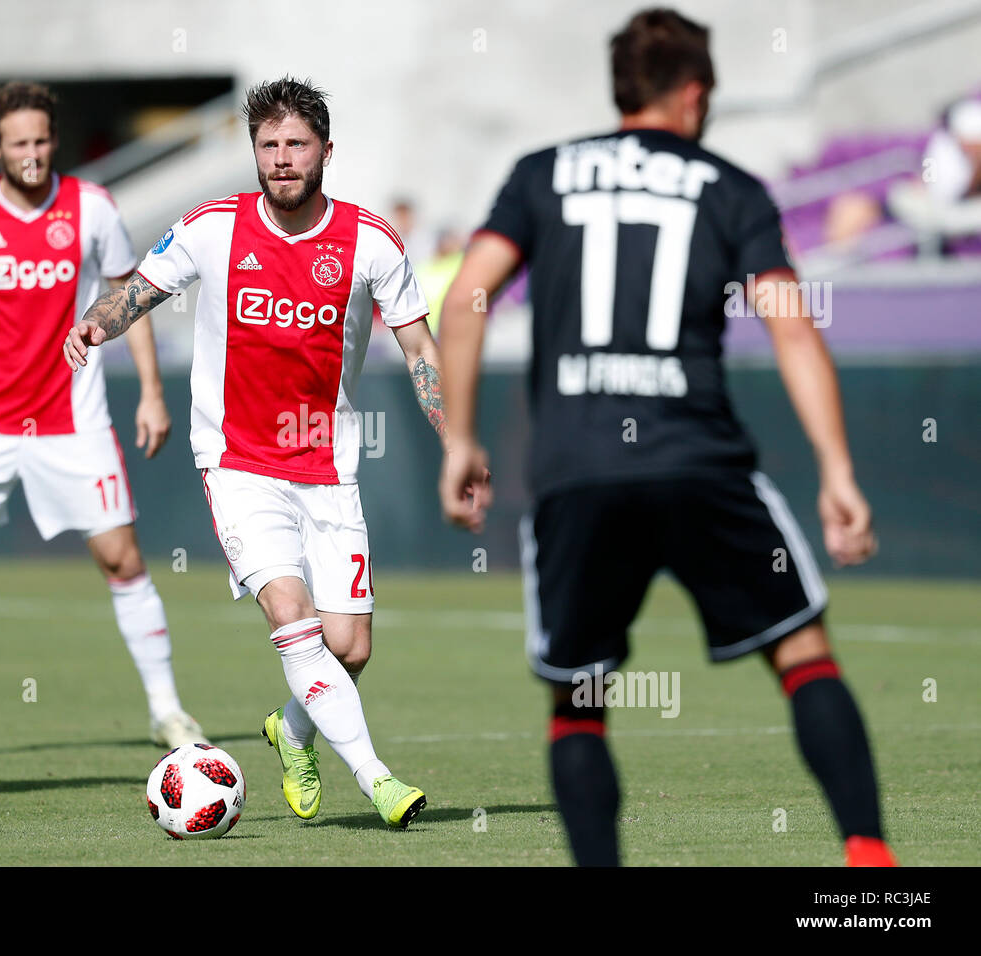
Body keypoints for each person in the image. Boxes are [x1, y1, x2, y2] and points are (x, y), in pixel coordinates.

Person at [438, 8, 896, 867]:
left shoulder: (540, 175)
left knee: (578, 698)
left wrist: (459, 437)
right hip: (700, 462)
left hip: (577, 469)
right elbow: (792, 328)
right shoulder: (731, 188)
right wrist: (837, 469)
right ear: (692, 94)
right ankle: (869, 868)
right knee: (802, 651)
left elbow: (466, 299)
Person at [65, 77, 452, 829]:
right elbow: (137, 290)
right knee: (293, 614)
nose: (280, 158)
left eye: (295, 145)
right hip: (237, 462)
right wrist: (93, 325)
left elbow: (419, 350)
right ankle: (378, 781)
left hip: (330, 466)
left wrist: (456, 439)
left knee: (350, 646)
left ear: (326, 152)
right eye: (267, 145)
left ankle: (290, 728)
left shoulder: (371, 241)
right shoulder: (213, 226)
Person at [0, 82, 205, 756]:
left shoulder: (93, 207)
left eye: (42, 141)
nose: (33, 155)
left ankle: (167, 710)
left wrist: (152, 392)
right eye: (19, 143)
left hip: (73, 419)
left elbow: (131, 295)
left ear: (53, 140)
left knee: (122, 558)